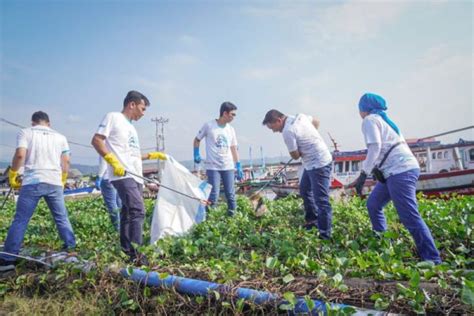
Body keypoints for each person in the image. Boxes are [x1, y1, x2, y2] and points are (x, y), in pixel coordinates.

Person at [353, 92, 441, 263]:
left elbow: (375, 146)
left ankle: (433, 258)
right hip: (395, 171)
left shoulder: (370, 120)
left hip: (400, 171)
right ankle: (385, 246)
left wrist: (364, 173)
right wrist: (377, 169)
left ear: (363, 109)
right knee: (373, 204)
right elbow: (384, 149)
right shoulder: (383, 120)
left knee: (409, 215)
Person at [91, 90, 166, 264]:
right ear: (132, 104)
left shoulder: (131, 128)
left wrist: (150, 156)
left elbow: (131, 154)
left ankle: (126, 250)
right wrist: (112, 161)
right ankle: (137, 255)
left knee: (127, 212)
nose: (143, 113)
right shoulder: (113, 117)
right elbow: (97, 140)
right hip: (122, 174)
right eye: (142, 108)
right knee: (137, 210)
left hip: (135, 175)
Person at [0, 111, 76, 271]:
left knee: (21, 219)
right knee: (61, 218)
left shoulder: (26, 132)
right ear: (49, 123)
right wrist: (62, 179)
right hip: (54, 181)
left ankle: (8, 260)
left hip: (33, 181)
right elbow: (66, 160)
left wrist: (13, 174)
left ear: (33, 122)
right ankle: (71, 251)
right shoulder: (60, 137)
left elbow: (20, 155)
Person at [262, 109, 333, 239]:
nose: (273, 131)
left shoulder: (287, 132)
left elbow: (295, 156)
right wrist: (310, 138)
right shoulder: (300, 117)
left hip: (319, 163)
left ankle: (325, 235)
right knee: (305, 189)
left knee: (321, 201)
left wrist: (305, 147)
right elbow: (316, 121)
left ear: (278, 120)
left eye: (273, 127)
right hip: (311, 162)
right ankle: (312, 220)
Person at [193, 102, 243, 216]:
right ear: (225, 113)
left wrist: (238, 165)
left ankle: (232, 218)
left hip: (228, 166)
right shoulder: (209, 125)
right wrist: (196, 153)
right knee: (213, 195)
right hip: (213, 166)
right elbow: (196, 140)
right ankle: (210, 220)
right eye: (232, 114)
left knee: (230, 194)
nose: (234, 117)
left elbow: (234, 148)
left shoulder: (231, 129)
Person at [95, 156, 122, 231]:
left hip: (107, 178)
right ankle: (123, 227)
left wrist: (99, 177)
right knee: (119, 203)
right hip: (117, 177)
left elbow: (103, 163)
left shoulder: (104, 145)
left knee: (112, 205)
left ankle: (117, 228)